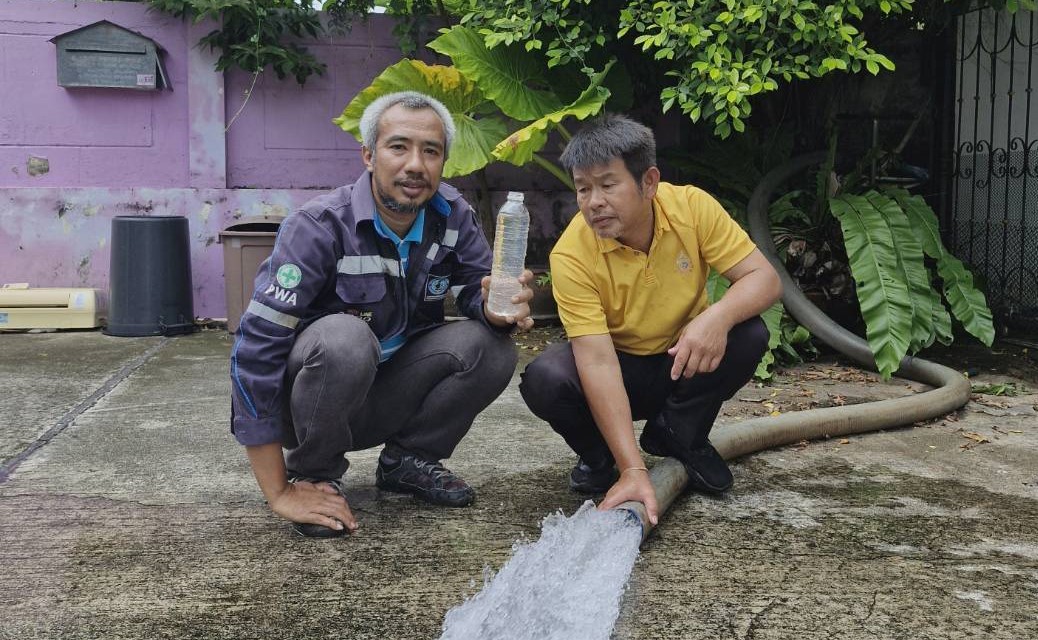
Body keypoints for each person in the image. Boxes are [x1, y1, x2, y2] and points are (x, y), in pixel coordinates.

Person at [231, 91, 534, 538]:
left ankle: (408, 460)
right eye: (399, 147)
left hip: (388, 394)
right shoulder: (318, 227)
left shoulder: (452, 217)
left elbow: (476, 289)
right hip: (315, 402)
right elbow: (255, 349)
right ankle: (315, 475)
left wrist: (496, 308)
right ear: (369, 155)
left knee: (491, 348)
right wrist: (277, 491)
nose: (415, 164)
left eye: (431, 151)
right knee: (345, 339)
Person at [520, 114, 781, 526]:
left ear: (649, 181)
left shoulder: (692, 207)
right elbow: (597, 362)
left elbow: (764, 279)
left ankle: (680, 433)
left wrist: (717, 317)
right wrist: (633, 470)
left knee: (748, 332)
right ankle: (601, 457)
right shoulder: (572, 254)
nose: (593, 202)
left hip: (682, 360)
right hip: (618, 368)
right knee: (546, 378)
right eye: (583, 189)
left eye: (608, 184)